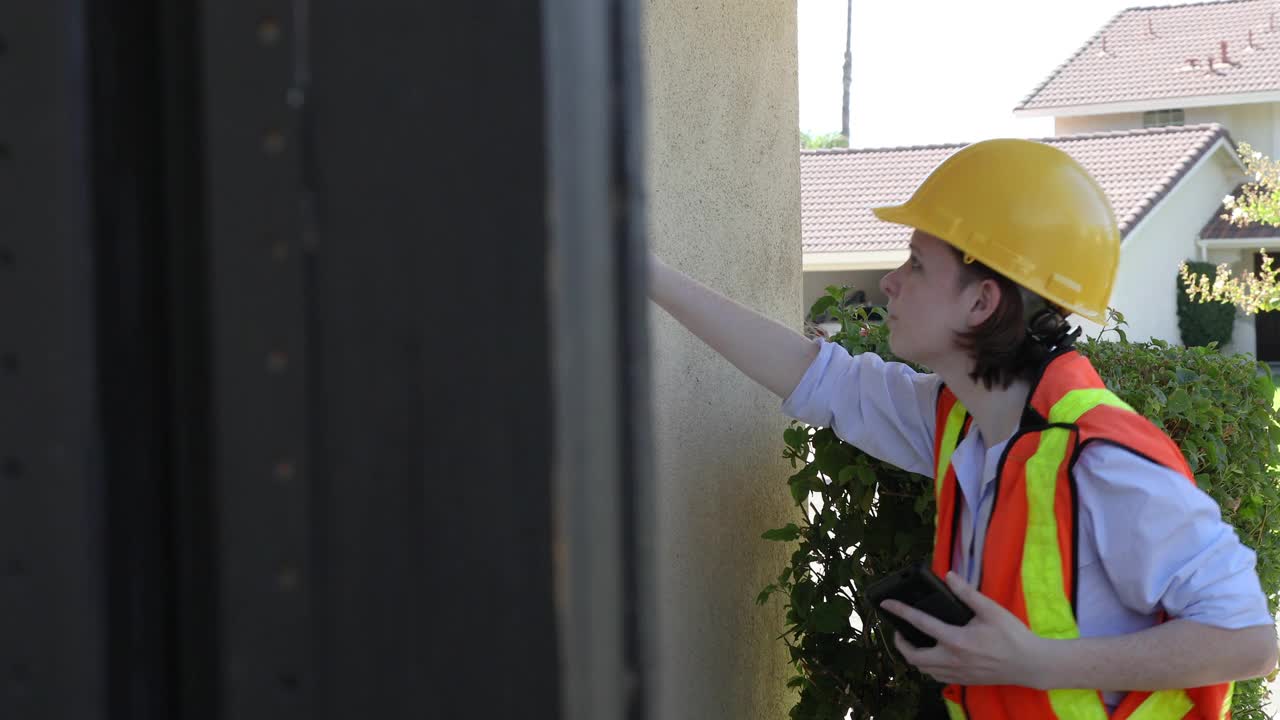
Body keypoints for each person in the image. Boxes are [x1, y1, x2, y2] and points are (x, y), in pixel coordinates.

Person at [647, 138, 1277, 718]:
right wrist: (644, 273)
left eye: (917, 263)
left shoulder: (1103, 454)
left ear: (981, 302)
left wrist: (1038, 664)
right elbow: (817, 376)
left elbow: (1248, 641)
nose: (891, 281)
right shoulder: (962, 422)